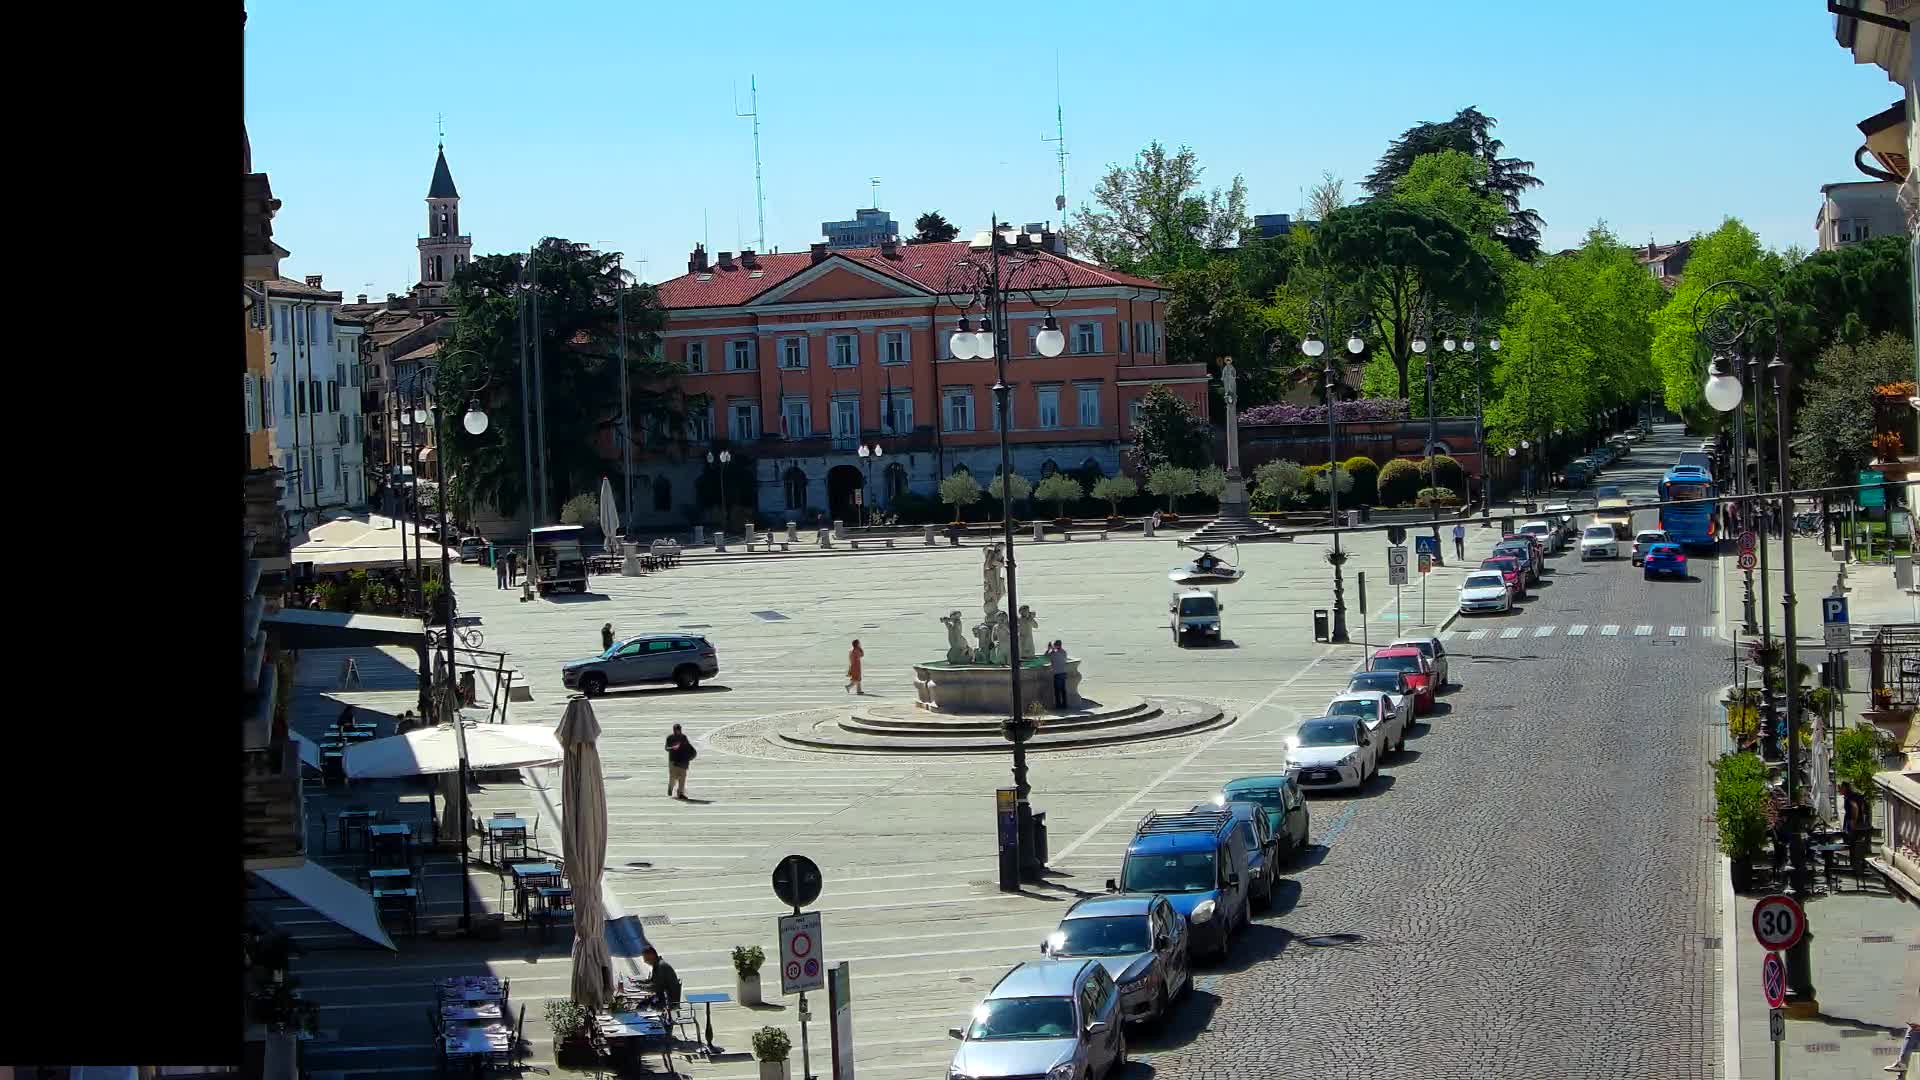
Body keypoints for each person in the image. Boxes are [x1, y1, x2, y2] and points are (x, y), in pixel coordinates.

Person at [665, 723, 694, 799]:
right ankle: (670, 787)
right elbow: (666, 748)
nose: (678, 732)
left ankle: (680, 793)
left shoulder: (683, 737)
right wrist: (673, 748)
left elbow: (688, 746)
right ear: (674, 730)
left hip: (682, 761)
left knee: (682, 777)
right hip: (673, 761)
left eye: (679, 730)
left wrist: (690, 755)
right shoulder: (670, 738)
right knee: (673, 777)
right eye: (676, 730)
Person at [1046, 640, 1069, 709]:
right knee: (1063, 690)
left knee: (1057, 691)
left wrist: (1049, 649)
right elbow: (1057, 654)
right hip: (1063, 673)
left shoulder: (1054, 654)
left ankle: (1058, 705)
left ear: (1056, 645)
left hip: (1057, 674)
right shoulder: (1064, 652)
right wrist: (1053, 649)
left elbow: (1046, 656)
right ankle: (1065, 705)